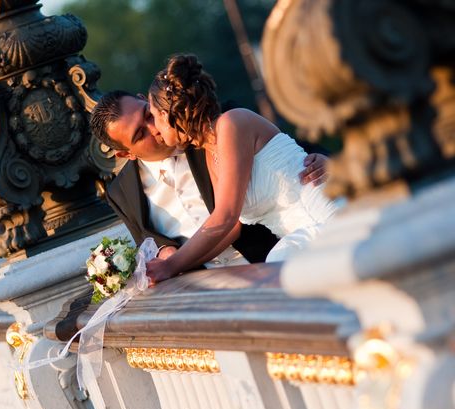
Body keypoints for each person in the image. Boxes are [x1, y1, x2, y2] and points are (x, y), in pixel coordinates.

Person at [143, 54, 341, 283]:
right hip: (297, 234)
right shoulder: (210, 155)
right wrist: (180, 267)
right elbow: (230, 228)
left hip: (322, 213)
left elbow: (225, 216)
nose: (153, 128)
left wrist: (169, 265)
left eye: (154, 116)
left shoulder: (232, 123)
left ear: (168, 115)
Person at [90, 90, 328, 267]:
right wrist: (165, 255)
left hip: (270, 258)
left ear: (148, 101)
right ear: (126, 153)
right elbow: (149, 241)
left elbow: (294, 153)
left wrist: (330, 162)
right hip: (205, 294)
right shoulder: (121, 193)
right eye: (140, 134)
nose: (154, 128)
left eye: (147, 115)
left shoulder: (211, 126)